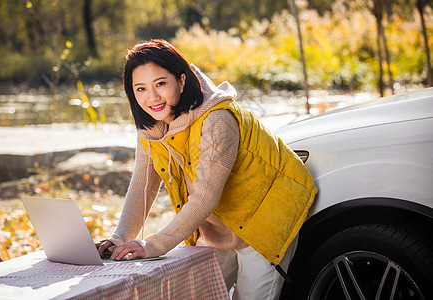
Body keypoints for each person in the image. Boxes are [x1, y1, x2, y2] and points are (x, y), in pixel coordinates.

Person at [96, 39, 317, 299]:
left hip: (265, 218)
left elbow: (205, 197)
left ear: (181, 81)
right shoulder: (152, 128)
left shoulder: (217, 120)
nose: (152, 97)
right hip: (219, 225)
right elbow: (142, 184)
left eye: (160, 84)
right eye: (141, 88)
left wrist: (154, 244)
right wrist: (120, 238)